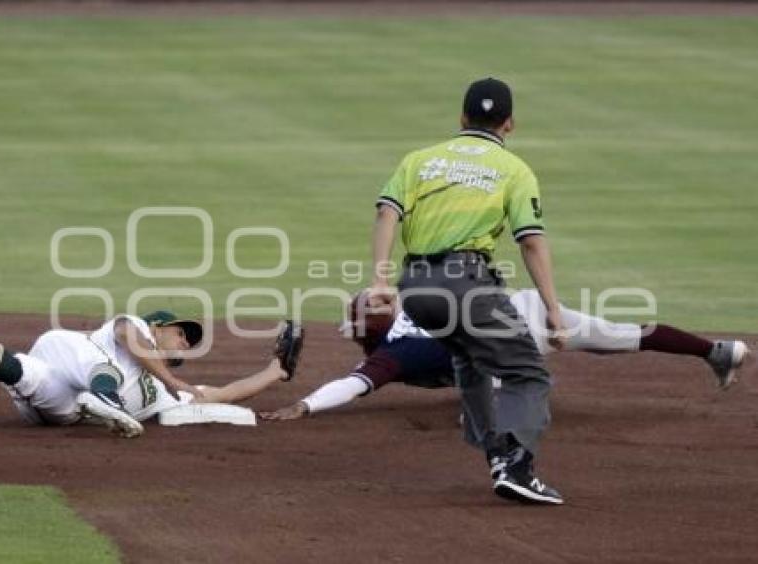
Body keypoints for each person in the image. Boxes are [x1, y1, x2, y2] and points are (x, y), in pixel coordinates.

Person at [370, 77, 567, 504]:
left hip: (416, 289)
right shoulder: (514, 169)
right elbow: (531, 241)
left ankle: (496, 452)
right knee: (528, 372)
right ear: (509, 124)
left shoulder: (420, 160)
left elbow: (388, 212)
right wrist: (552, 308)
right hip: (467, 285)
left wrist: (380, 281)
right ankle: (517, 466)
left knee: (468, 357)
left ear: (462, 117)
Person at [260, 290, 751, 423]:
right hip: (524, 306)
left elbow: (352, 384)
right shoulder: (416, 301)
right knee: (618, 336)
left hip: (508, 337)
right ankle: (716, 350)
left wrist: (305, 405)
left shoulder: (395, 354)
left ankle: (521, 391)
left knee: (481, 412)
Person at [0, 298, 304, 438]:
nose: (186, 342)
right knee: (104, 371)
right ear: (157, 326)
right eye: (181, 332)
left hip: (60, 407)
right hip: (69, 352)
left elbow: (217, 395)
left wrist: (275, 373)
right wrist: (170, 378)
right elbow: (126, 335)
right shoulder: (137, 328)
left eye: (189, 339)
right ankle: (104, 398)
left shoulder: (168, 396)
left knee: (24, 375)